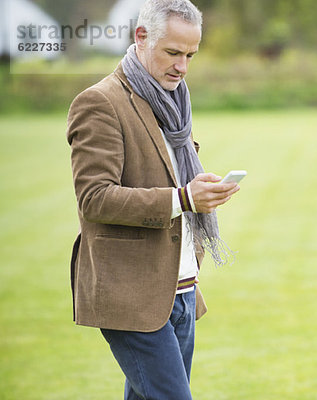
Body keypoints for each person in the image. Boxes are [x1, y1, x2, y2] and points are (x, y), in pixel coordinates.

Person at [66, 0, 240, 398]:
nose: (182, 66)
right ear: (141, 37)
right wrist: (183, 197)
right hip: (130, 292)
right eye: (173, 53)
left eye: (191, 55)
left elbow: (169, 174)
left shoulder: (173, 101)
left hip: (180, 288)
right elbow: (94, 198)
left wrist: (200, 191)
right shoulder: (99, 103)